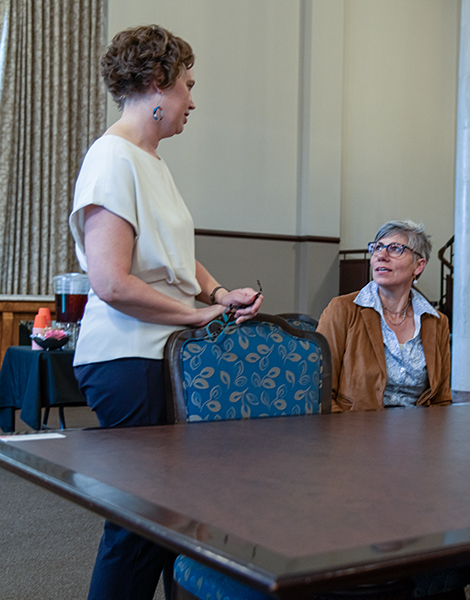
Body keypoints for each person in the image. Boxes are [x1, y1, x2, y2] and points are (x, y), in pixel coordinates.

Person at [69, 25, 262, 600]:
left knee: (169, 521)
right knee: (137, 525)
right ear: (157, 84)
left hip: (162, 353)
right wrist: (198, 317)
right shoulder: (111, 159)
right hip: (127, 358)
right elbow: (111, 282)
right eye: (188, 86)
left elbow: (175, 255)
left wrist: (218, 294)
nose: (192, 101)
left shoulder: (150, 161)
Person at [317, 220, 451, 411]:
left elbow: (441, 399)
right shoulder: (342, 310)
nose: (381, 255)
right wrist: (343, 433)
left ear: (418, 266)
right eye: (378, 247)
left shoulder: (437, 322)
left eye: (395, 249)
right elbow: (319, 389)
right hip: (355, 431)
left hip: (421, 434)